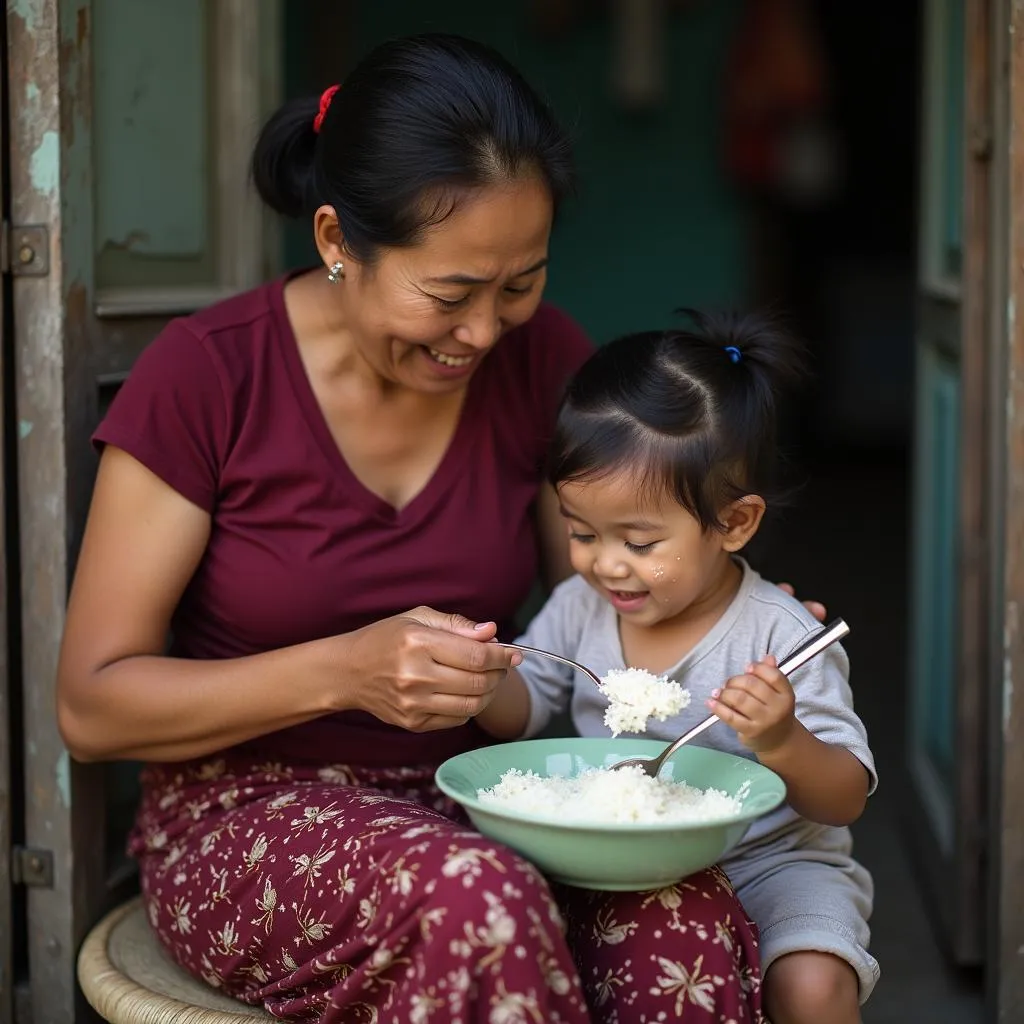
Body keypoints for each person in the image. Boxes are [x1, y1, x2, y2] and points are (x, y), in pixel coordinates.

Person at [56, 34, 822, 1024]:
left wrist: (733, 620)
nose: (486, 331)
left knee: (682, 917)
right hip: (246, 810)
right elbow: (93, 706)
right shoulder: (208, 377)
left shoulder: (543, 361)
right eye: (450, 294)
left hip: (497, 792)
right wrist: (347, 669)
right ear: (336, 241)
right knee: (475, 901)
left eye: (521, 283)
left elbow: (611, 593)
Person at [476, 311, 878, 1024]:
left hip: (772, 863)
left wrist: (782, 739)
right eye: (580, 532)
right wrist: (483, 680)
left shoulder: (782, 637)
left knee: (813, 987)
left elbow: (842, 799)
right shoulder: (578, 607)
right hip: (619, 859)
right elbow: (527, 710)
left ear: (734, 523)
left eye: (638, 540)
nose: (606, 563)